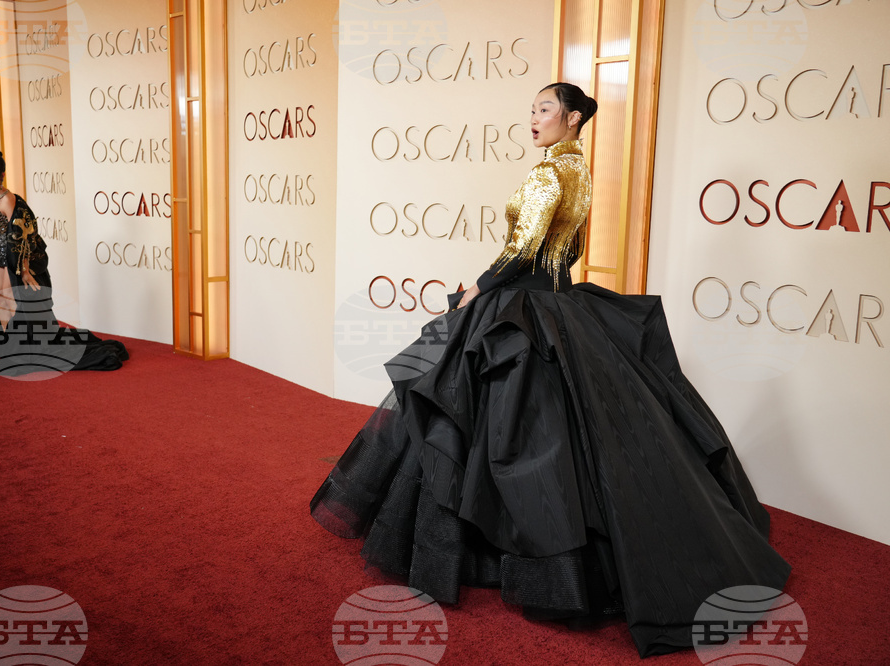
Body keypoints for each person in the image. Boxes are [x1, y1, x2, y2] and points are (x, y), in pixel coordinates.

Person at [310, 83, 791, 657]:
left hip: (524, 307)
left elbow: (521, 249)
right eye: (531, 109)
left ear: (572, 117)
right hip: (563, 304)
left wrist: (472, 294)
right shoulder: (580, 173)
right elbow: (569, 247)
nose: (533, 118)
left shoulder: (546, 175)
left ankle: (488, 553)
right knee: (562, 439)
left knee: (477, 422)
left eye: (544, 109)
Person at [0, 151, 128, 373]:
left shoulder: (7, 200)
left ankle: (18, 347)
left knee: (11, 301)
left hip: (11, 256)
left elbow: (24, 233)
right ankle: (7, 343)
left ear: (1, 175)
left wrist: (25, 269)